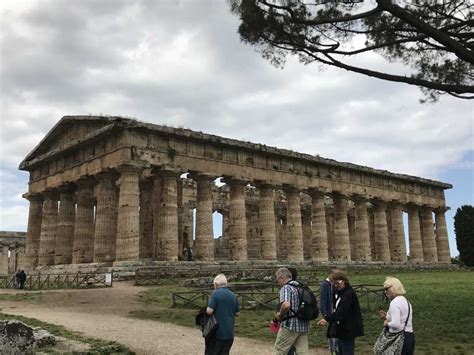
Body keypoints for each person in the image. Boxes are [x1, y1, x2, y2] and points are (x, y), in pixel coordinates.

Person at [318, 270, 363, 355]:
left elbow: (341, 312)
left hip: (349, 328)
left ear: (344, 281)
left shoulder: (348, 293)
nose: (335, 285)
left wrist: (326, 319)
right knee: (340, 351)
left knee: (347, 351)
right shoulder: (339, 292)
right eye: (333, 283)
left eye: (337, 283)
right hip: (341, 328)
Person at [273, 267, 310, 355]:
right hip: (304, 325)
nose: (278, 283)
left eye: (278, 280)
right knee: (302, 352)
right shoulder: (301, 286)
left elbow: (286, 305)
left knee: (279, 351)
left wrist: (280, 315)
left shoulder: (286, 287)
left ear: (281, 277)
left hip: (290, 326)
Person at [379, 277, 415, 355]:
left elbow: (396, 324)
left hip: (399, 339)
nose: (385, 292)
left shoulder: (394, 303)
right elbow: (402, 318)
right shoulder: (406, 301)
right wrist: (387, 317)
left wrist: (386, 323)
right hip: (409, 337)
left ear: (393, 288)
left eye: (386, 289)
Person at [206, 273, 240, 355]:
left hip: (217, 333)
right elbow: (238, 313)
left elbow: (209, 311)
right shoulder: (233, 295)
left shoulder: (215, 294)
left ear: (216, 284)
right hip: (229, 334)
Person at [320, 267, 338, 354]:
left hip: (336, 312)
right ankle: (332, 350)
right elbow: (323, 300)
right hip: (329, 313)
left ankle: (337, 349)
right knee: (331, 333)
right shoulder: (325, 284)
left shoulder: (335, 284)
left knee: (337, 332)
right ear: (330, 274)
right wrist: (325, 314)